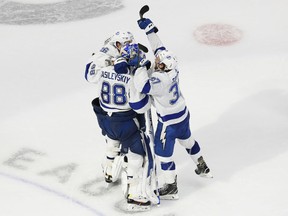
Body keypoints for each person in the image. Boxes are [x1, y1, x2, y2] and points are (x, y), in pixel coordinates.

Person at [131, 17, 213, 200]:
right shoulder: (173, 69)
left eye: (158, 62)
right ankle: (202, 165)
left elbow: (142, 86)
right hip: (183, 115)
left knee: (163, 154)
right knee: (188, 140)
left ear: (163, 67)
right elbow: (160, 49)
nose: (157, 60)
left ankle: (171, 186)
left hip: (168, 123)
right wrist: (150, 32)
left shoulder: (160, 80)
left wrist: (141, 67)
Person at [85, 40, 155, 211]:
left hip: (104, 118)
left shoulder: (105, 69)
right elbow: (139, 105)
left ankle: (109, 172)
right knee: (138, 156)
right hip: (124, 122)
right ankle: (133, 192)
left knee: (112, 142)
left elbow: (89, 75)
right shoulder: (130, 78)